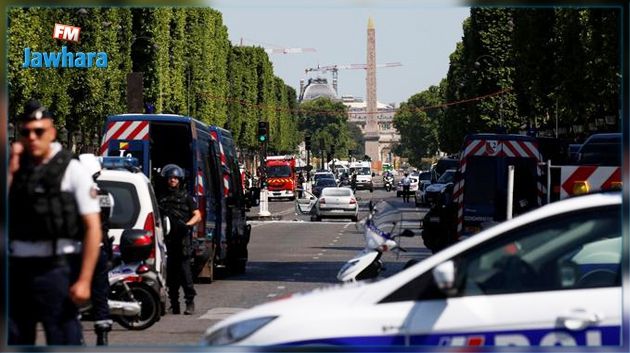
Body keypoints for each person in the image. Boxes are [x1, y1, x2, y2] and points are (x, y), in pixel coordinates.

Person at [8, 100, 102, 345]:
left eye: (39, 131)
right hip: (18, 269)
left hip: (57, 268)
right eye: (25, 132)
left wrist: (84, 280)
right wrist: (12, 169)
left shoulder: (72, 169)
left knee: (62, 339)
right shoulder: (17, 168)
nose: (32, 137)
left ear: (51, 132)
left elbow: (93, 227)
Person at [158, 164, 201, 315]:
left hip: (182, 240)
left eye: (175, 178)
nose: (173, 180)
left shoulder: (186, 197)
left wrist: (187, 225)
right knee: (170, 275)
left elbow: (197, 215)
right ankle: (174, 304)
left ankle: (190, 303)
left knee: (185, 274)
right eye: (170, 178)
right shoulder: (161, 198)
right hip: (167, 241)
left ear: (180, 180)